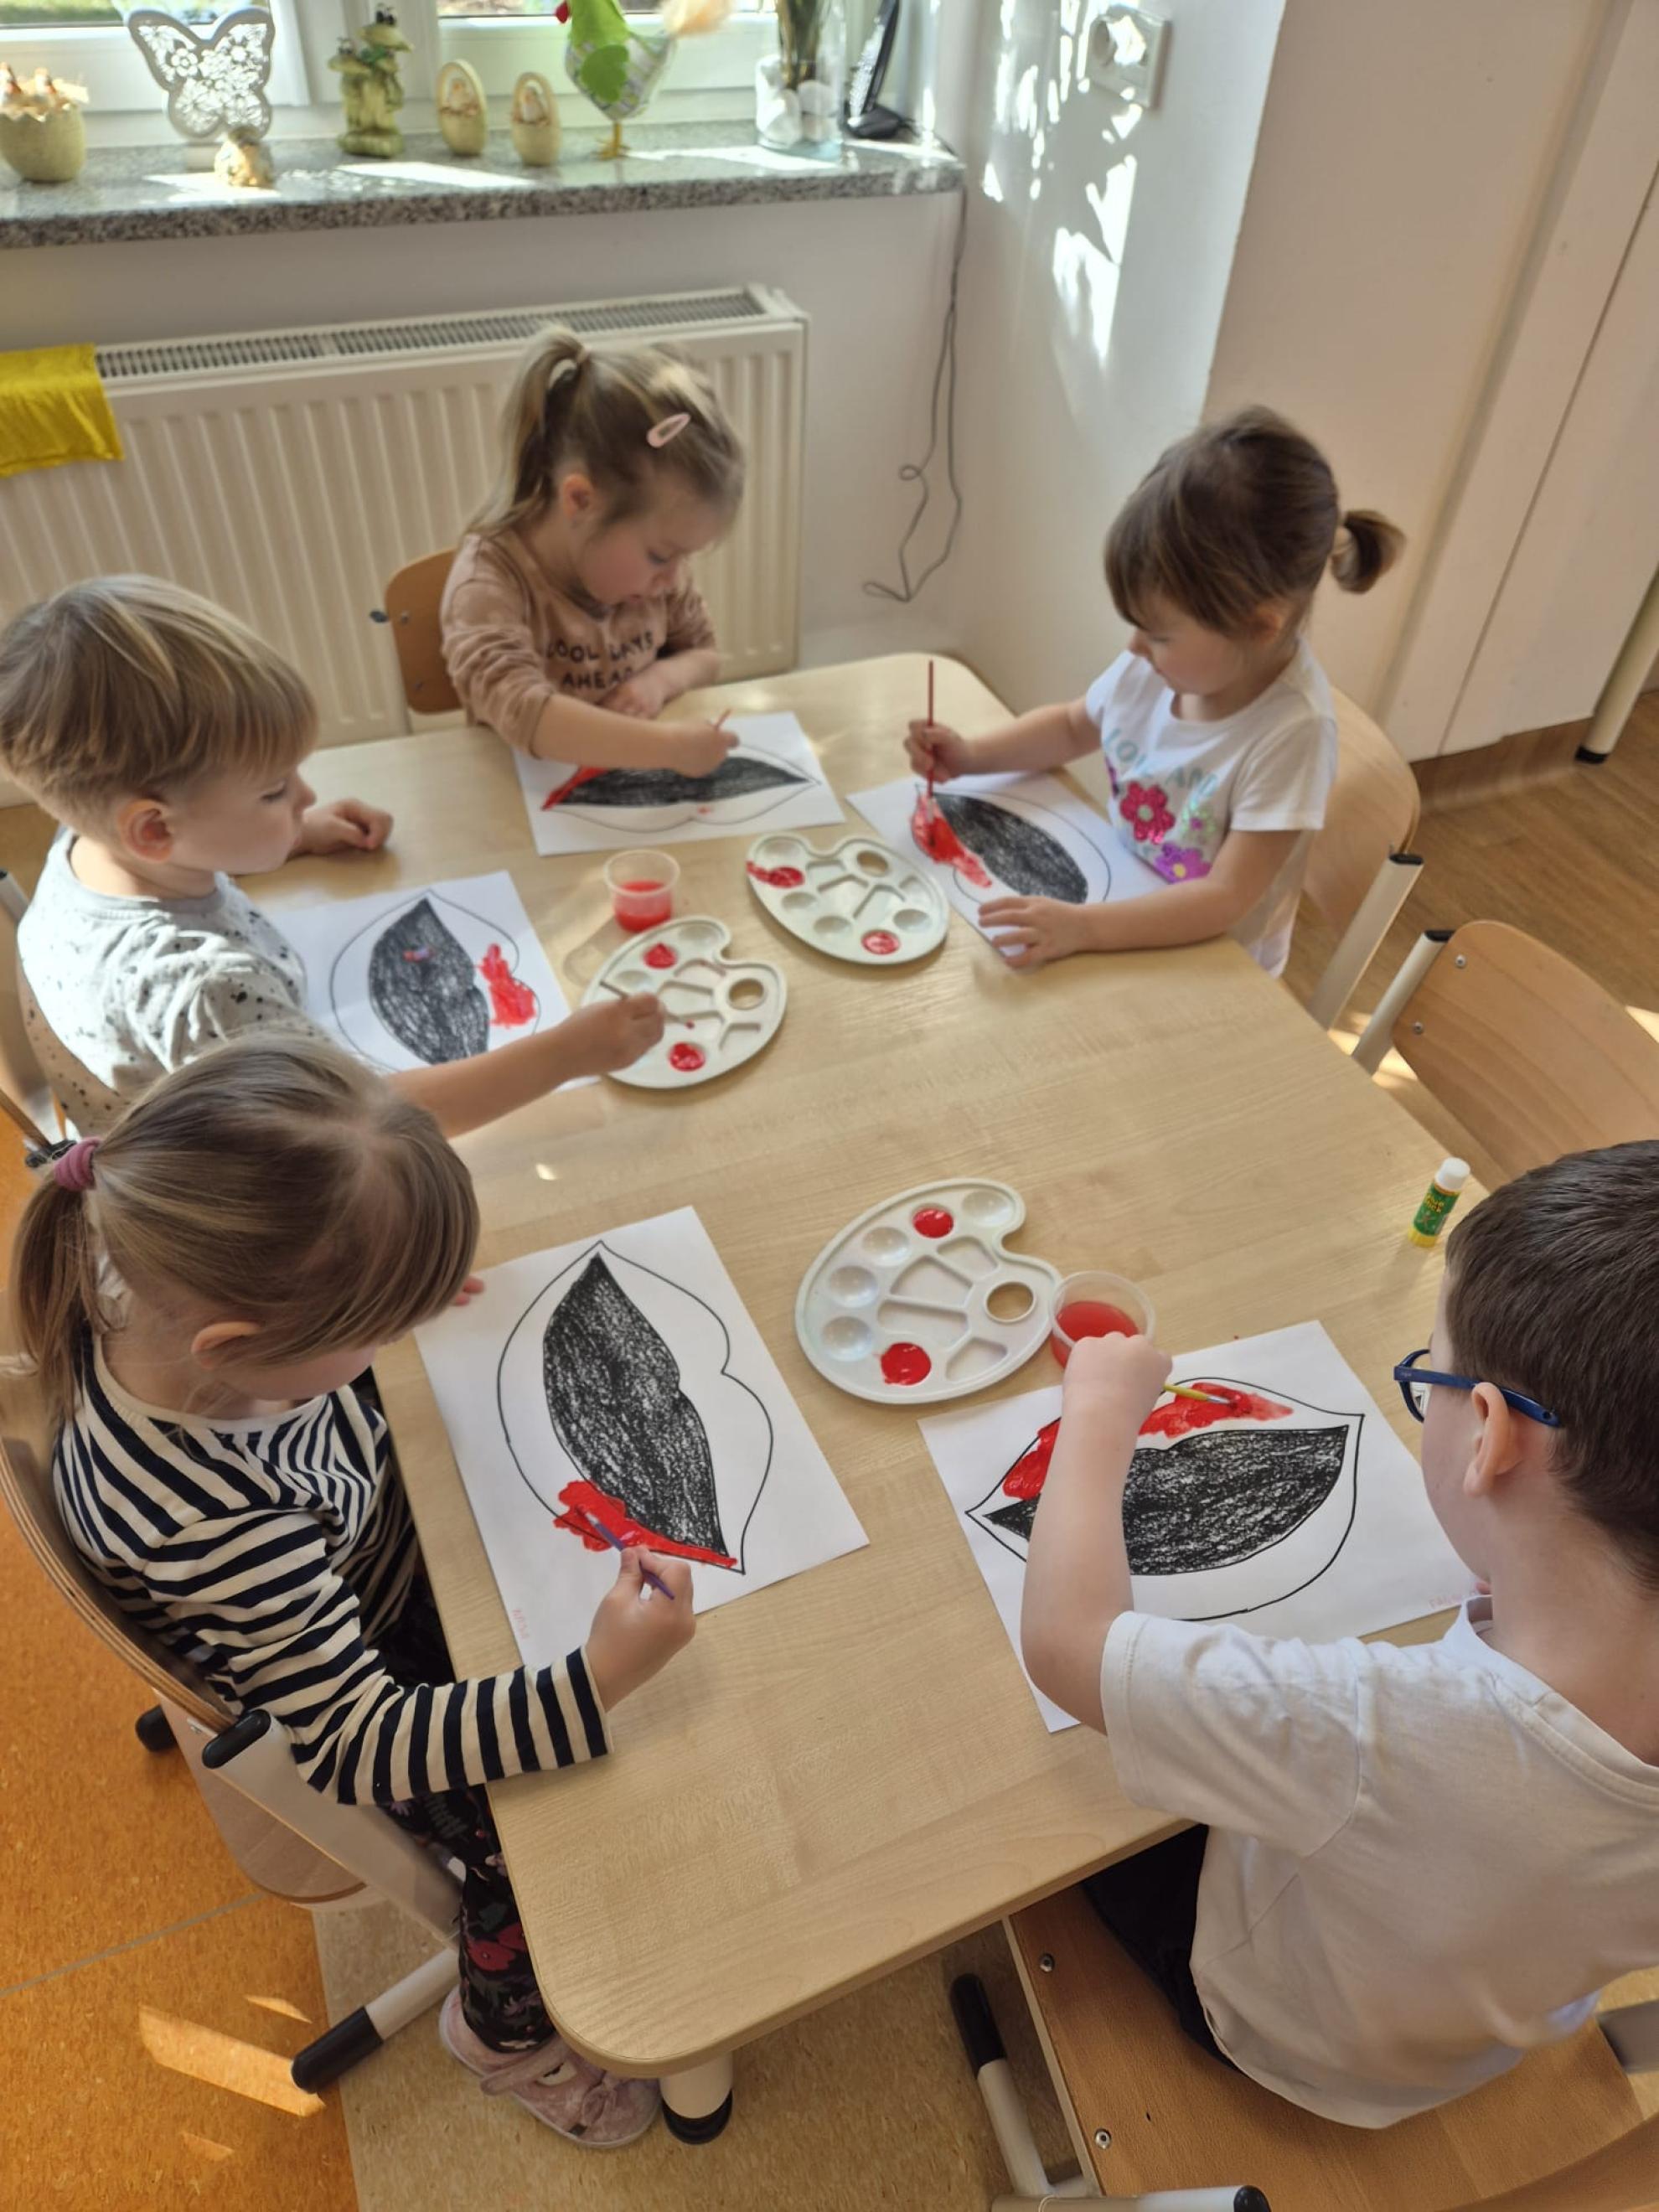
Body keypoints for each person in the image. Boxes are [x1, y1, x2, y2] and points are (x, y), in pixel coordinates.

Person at [11, 1034, 695, 2142]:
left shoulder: (156, 1259)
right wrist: (597, 1681)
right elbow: (359, 1746)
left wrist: (378, 1293)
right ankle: (504, 2034)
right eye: (381, 1327)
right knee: (531, 1852)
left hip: (356, 1557)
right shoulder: (211, 1521)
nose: (399, 1336)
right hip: (348, 1677)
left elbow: (328, 1248)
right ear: (249, 1344)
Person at [1020, 1140, 1659, 2127]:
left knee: (1062, 1823)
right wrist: (1529, 1568)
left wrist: (1099, 1415)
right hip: (1468, 2036)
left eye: (1429, 1376)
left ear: (1490, 1439)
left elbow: (1069, 1643)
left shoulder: (1375, 1728)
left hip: (1279, 2030)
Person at [0, 576, 659, 1134]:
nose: (306, 795)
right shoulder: (205, 990)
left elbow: (185, 842)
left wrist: (297, 832)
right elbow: (364, 1124)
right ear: (151, 830)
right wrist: (566, 1054)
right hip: (228, 1188)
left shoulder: (87, 842)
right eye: (274, 790)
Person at [907, 407, 1403, 977]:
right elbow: (1072, 726)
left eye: (1160, 634)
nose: (1136, 646)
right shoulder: (1157, 666)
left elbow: (1224, 897)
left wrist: (1084, 928)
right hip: (1120, 911)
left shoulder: (1294, 734)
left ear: (1258, 626)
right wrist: (971, 756)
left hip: (1213, 968)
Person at [442, 330, 744, 783]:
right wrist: (669, 748)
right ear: (581, 501)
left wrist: (658, 681)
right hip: (520, 800)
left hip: (633, 793)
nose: (673, 578)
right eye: (661, 555)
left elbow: (704, 654)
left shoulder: (656, 577)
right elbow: (526, 713)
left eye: (684, 557)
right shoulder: (488, 583)